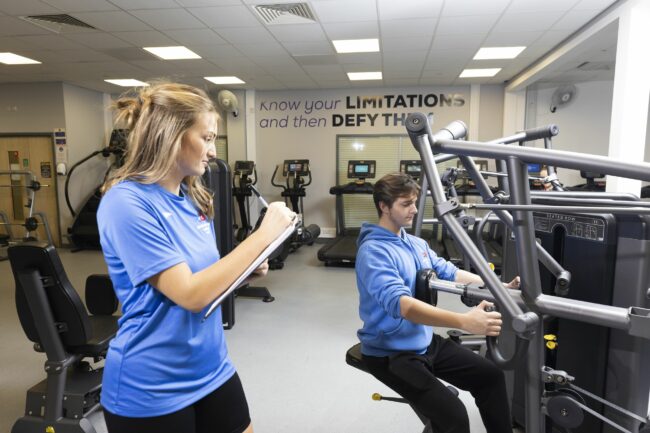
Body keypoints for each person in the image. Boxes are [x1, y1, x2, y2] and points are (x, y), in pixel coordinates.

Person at [97, 82, 295, 433]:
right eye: (206, 138)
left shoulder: (191, 199)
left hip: (211, 367)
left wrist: (244, 271)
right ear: (170, 137)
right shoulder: (126, 203)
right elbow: (189, 294)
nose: (212, 150)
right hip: (152, 386)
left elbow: (203, 277)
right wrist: (263, 235)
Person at [355, 172, 520, 433]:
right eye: (404, 204)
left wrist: (497, 285)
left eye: (414, 203)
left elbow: (447, 271)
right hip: (391, 353)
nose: (413, 210)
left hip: (424, 342)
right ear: (384, 206)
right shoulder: (374, 252)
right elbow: (404, 306)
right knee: (453, 416)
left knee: (490, 378)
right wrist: (465, 321)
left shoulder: (415, 243)